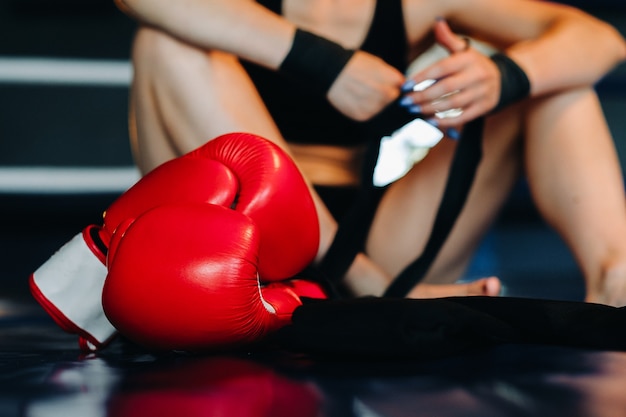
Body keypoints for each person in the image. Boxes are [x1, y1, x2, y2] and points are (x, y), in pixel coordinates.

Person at [113, 0, 626, 306]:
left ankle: (615, 280)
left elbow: (600, 40)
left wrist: (500, 77)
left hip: (372, 235)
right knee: (164, 42)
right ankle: (364, 285)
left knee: (557, 80)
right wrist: (322, 63)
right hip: (231, 235)